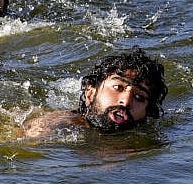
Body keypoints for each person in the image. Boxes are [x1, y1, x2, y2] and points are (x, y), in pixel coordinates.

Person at [21, 47, 168, 138]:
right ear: (90, 93)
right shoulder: (64, 125)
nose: (126, 101)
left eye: (139, 97)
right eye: (118, 88)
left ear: (147, 112)